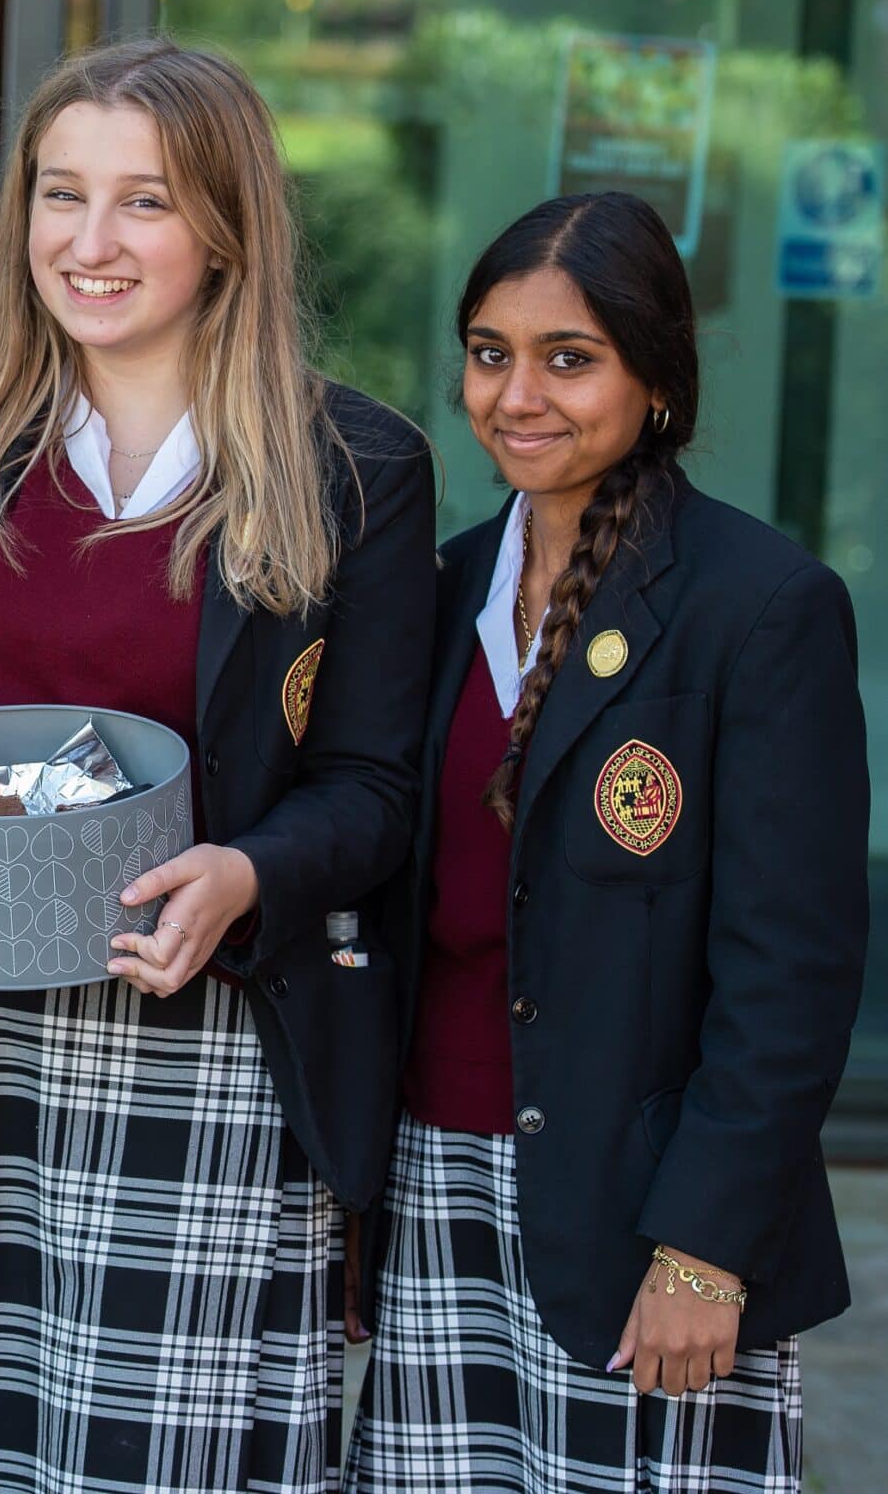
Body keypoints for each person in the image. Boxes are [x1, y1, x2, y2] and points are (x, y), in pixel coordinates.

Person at [0, 37, 433, 1494]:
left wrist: (248, 873)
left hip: (204, 1049)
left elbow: (377, 791)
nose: (88, 245)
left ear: (224, 229)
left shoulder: (356, 472)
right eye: (60, 196)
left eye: (142, 203)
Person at [343, 191, 865, 1494]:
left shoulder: (762, 608)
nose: (519, 393)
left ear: (657, 382)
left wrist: (706, 1244)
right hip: (438, 1186)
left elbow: (789, 972)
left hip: (649, 1225)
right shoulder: (438, 584)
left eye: (568, 359)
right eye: (489, 352)